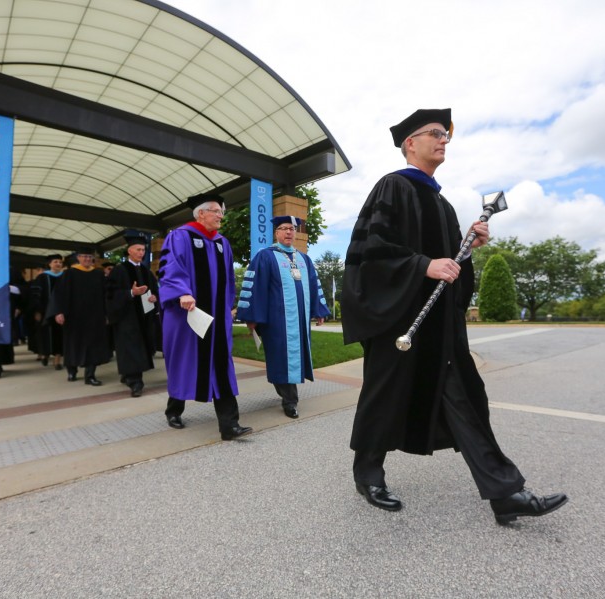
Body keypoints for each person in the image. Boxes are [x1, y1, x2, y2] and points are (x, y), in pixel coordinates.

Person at [342, 108, 568, 524]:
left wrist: (466, 250)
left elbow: (450, 272)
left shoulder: (443, 205)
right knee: (384, 396)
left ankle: (505, 493)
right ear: (411, 143)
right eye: (435, 133)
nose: (443, 139)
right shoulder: (393, 186)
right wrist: (422, 265)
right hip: (400, 321)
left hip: (439, 326)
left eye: (446, 134)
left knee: (466, 401)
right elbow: (371, 252)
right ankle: (368, 474)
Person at [157, 193, 252, 440]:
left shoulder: (222, 243)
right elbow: (169, 268)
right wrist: (182, 292)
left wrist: (227, 306)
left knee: (221, 364)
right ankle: (174, 410)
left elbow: (228, 280)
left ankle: (229, 426)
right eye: (217, 212)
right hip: (188, 315)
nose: (221, 216)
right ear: (201, 213)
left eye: (221, 212)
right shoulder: (180, 236)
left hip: (216, 317)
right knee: (185, 362)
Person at [236, 215, 331, 418]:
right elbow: (256, 287)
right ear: (276, 232)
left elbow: (314, 285)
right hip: (276, 321)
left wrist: (319, 310)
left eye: (292, 229)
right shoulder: (266, 256)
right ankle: (290, 400)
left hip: (299, 320)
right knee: (280, 357)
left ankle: (287, 394)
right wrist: (252, 316)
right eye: (284, 228)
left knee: (293, 357)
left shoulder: (304, 259)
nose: (289, 232)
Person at [106, 231, 159, 397]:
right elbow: (110, 294)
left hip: (143, 318)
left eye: (143, 250)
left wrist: (154, 297)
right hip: (126, 318)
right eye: (138, 249)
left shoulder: (146, 271)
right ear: (129, 251)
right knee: (130, 349)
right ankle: (136, 382)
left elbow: (154, 291)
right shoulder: (119, 271)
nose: (141, 253)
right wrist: (130, 293)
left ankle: (128, 375)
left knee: (137, 350)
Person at [49, 247, 111, 385]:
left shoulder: (98, 274)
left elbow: (106, 295)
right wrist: (59, 312)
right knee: (73, 344)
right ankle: (72, 371)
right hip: (73, 317)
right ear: (78, 258)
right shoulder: (69, 274)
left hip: (94, 316)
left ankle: (90, 375)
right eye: (84, 256)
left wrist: (106, 314)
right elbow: (58, 294)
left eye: (89, 257)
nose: (87, 259)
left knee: (93, 345)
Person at [29, 254, 65, 370]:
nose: (58, 264)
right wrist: (37, 311)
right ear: (49, 264)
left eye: (60, 262)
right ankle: (45, 354)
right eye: (55, 262)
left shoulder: (65, 276)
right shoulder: (42, 277)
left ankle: (57, 360)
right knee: (45, 334)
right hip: (45, 311)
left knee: (60, 335)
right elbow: (35, 296)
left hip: (61, 311)